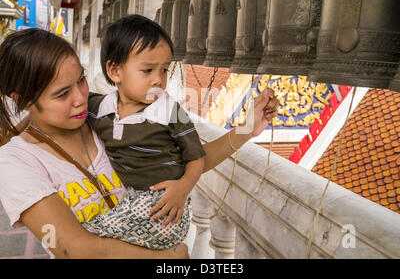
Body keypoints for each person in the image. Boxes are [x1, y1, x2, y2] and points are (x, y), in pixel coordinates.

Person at [0, 28, 278, 259]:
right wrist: (167, 258)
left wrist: (245, 130)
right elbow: (73, 248)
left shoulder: (103, 115)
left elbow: (183, 161)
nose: (80, 98)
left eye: (81, 80)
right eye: (62, 94)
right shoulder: (16, 161)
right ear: (23, 100)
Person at [80, 15, 206, 250]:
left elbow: (197, 157)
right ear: (114, 71)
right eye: (147, 70)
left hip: (163, 206)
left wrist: (183, 188)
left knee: (84, 236)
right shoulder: (99, 108)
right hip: (127, 203)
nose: (158, 79)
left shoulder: (169, 110)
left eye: (165, 70)